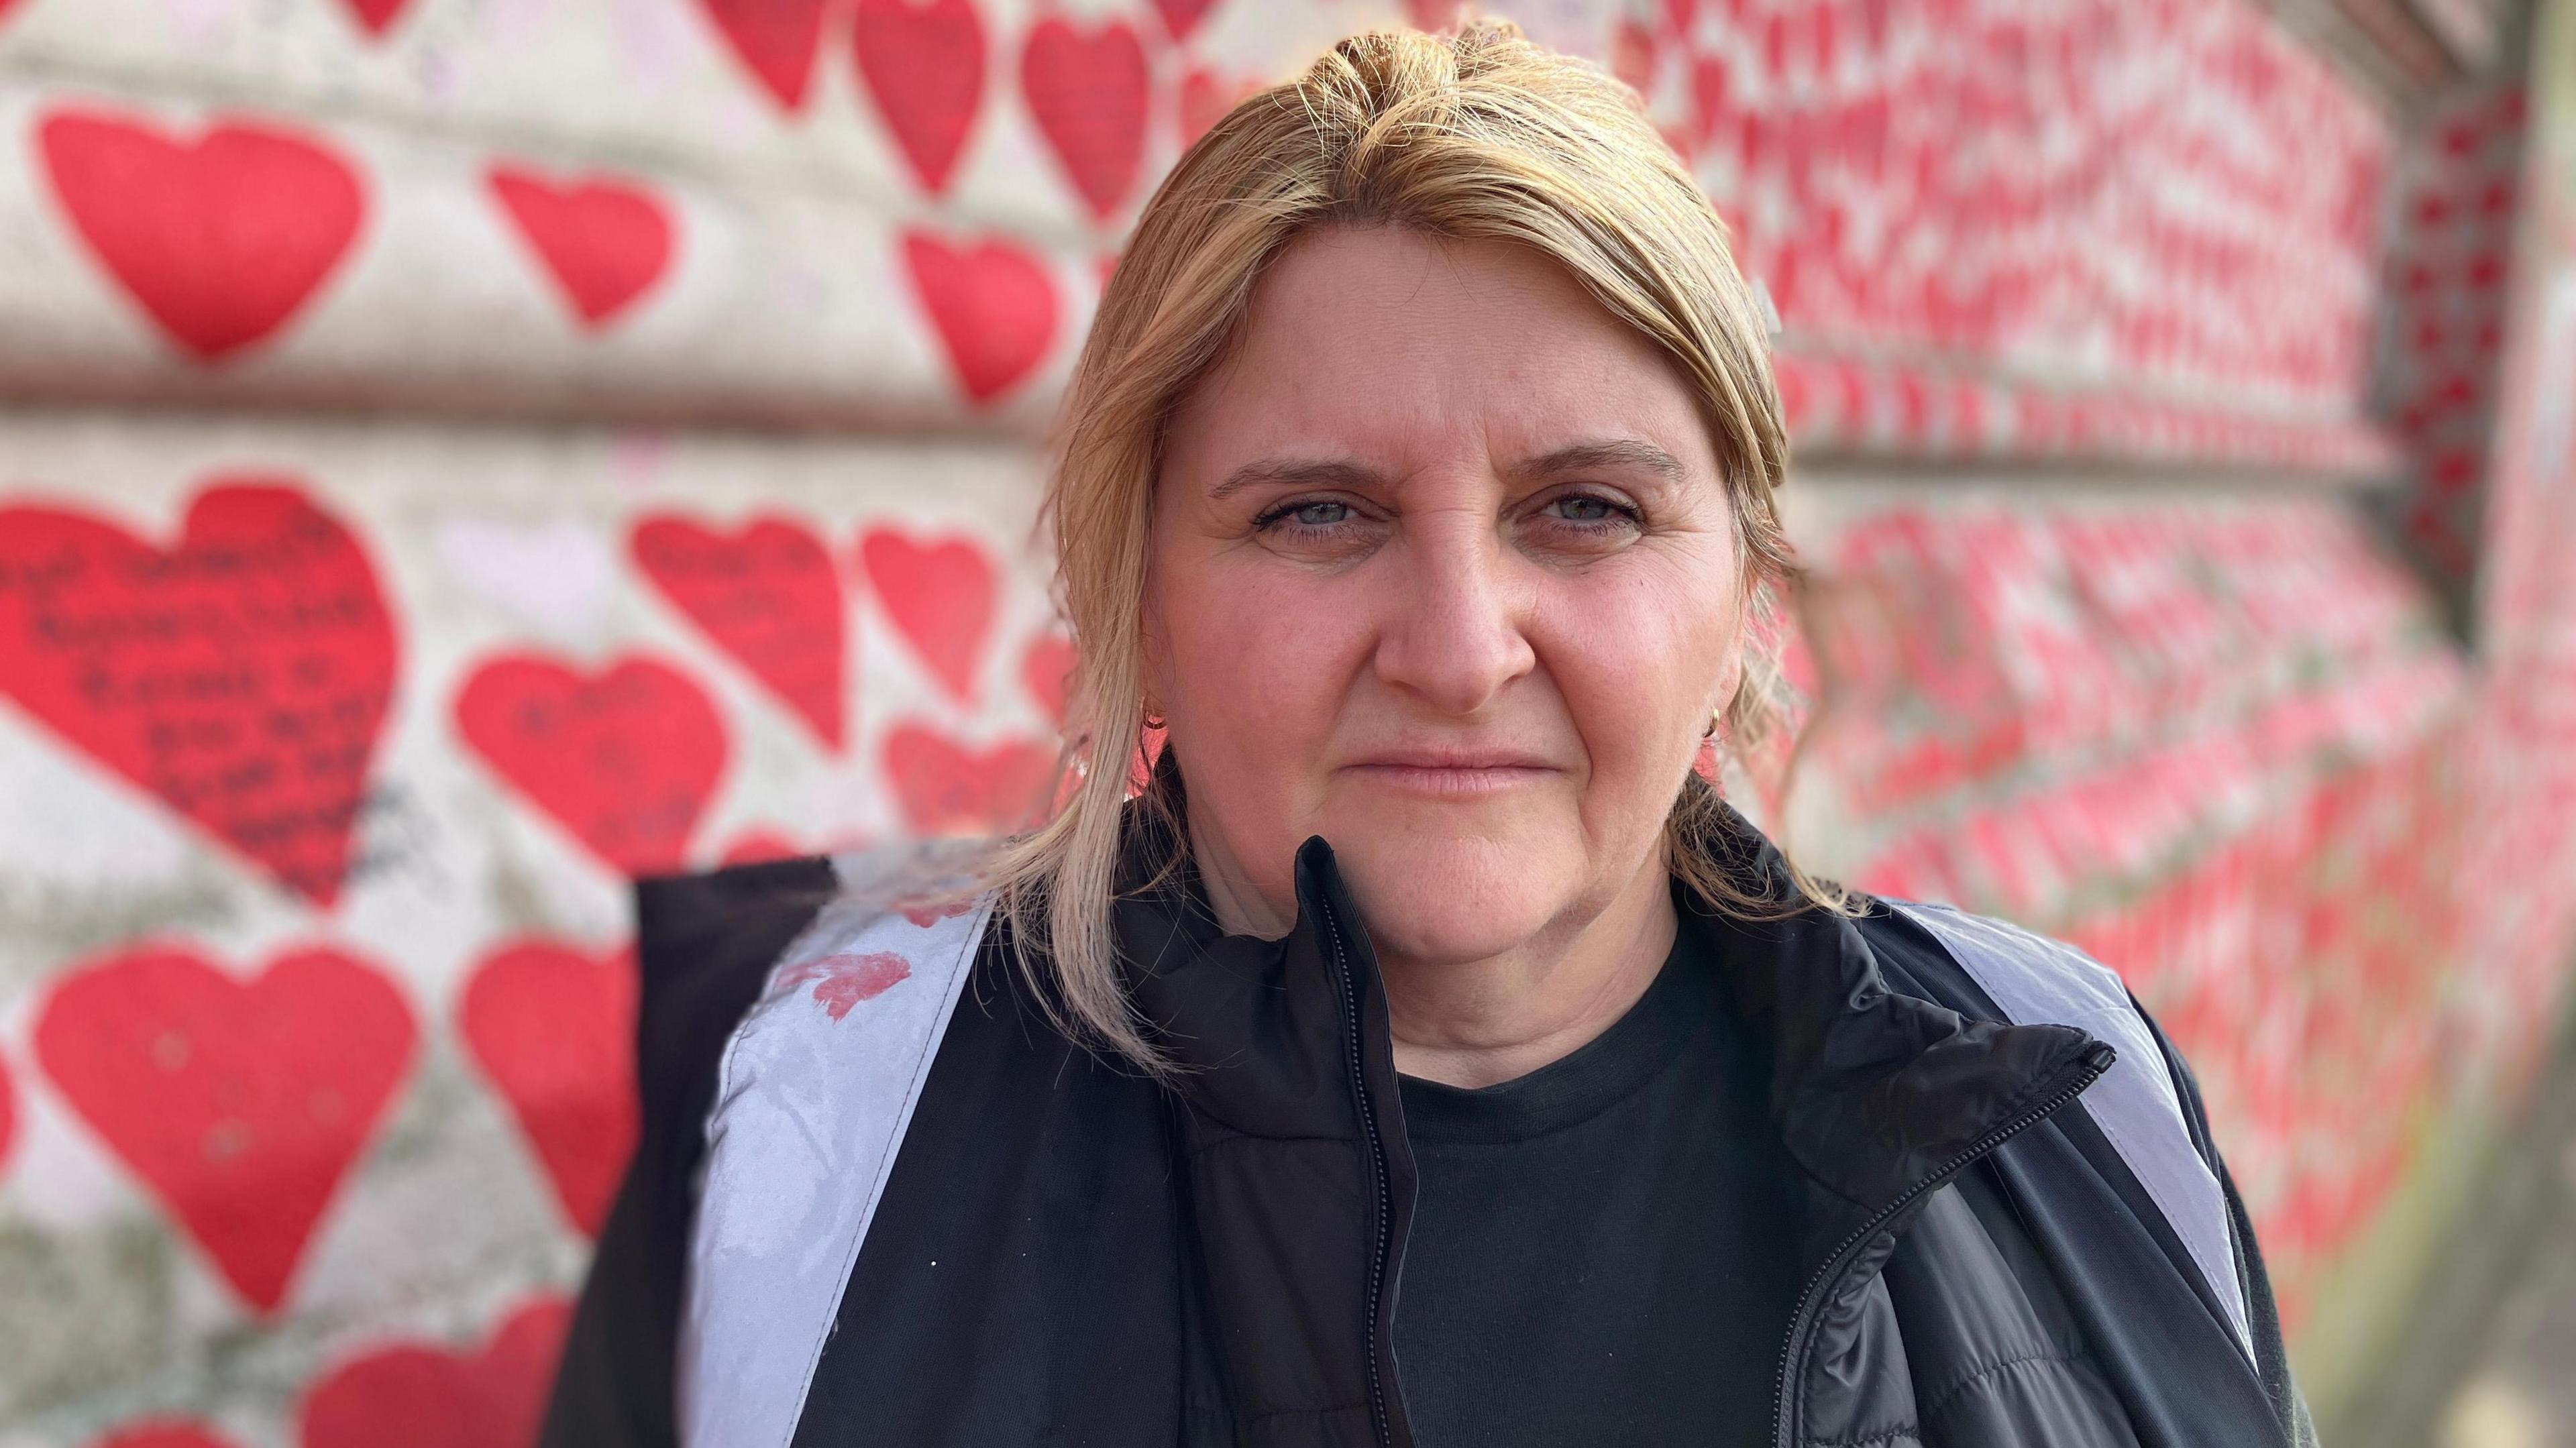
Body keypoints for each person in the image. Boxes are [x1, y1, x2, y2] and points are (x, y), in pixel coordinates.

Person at [541, 19, 2314, 1448]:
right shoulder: (800, 1121)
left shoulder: (2079, 1082)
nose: (1461, 654)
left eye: (1589, 511)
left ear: (1744, 601)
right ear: (1140, 594)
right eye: (1316, 514)